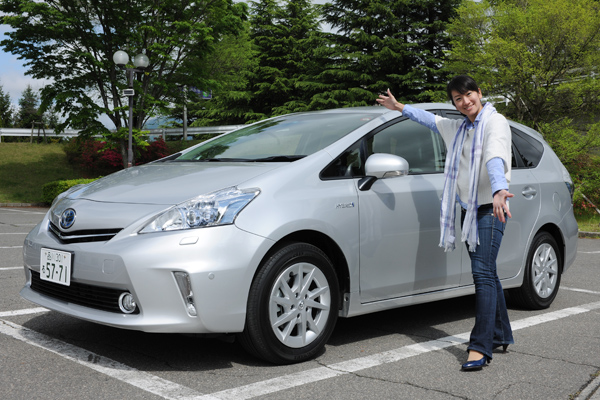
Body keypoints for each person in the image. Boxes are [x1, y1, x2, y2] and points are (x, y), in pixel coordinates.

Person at [376, 75, 515, 371]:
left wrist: (499, 187)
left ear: (480, 92)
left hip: (492, 206)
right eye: (457, 99)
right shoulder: (460, 129)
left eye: (468, 95)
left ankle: (480, 346)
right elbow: (431, 120)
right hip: (469, 209)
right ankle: (501, 333)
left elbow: (494, 155)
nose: (465, 102)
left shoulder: (495, 122)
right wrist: (399, 106)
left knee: (481, 274)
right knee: (488, 271)